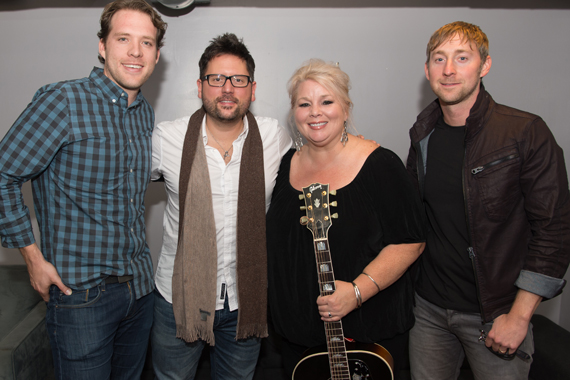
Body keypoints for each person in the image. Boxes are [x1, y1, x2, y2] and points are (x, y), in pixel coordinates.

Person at [0, 1, 166, 378]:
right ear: (103, 46)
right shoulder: (63, 102)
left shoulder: (144, 112)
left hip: (139, 290)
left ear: (157, 55)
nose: (136, 52)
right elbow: (3, 174)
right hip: (81, 297)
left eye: (147, 42)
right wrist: (32, 258)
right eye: (124, 39)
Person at [406, 21, 570, 380]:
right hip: (429, 310)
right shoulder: (422, 134)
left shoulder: (525, 132)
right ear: (427, 70)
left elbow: (554, 231)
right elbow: (417, 219)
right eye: (439, 59)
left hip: (497, 314)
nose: (448, 70)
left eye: (462, 58)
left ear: (485, 65)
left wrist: (519, 316)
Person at [266, 59, 426, 378]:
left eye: (327, 101)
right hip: (298, 338)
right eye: (304, 103)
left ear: (346, 108)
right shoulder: (285, 165)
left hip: (366, 337)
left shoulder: (380, 164)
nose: (315, 112)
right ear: (293, 112)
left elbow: (411, 241)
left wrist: (355, 292)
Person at [150, 33, 292, 379]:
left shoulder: (275, 137)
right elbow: (114, 183)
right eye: (216, 79)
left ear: (252, 90)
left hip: (247, 302)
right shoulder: (166, 139)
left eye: (238, 80)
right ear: (200, 86)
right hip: (178, 300)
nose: (227, 89)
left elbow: (321, 159)